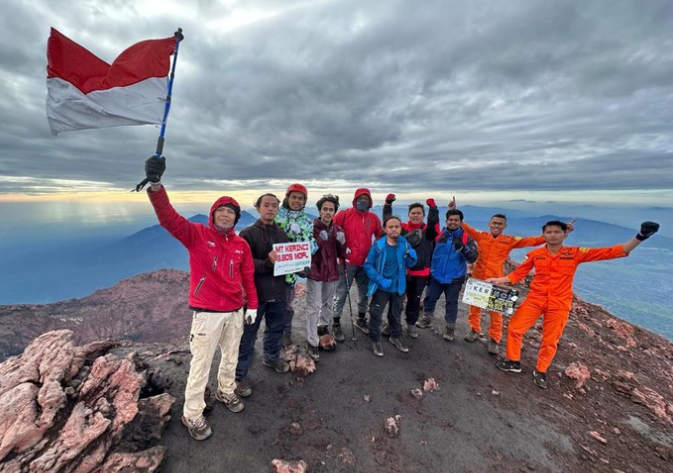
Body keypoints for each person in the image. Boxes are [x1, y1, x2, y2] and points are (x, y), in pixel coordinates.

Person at [144, 156, 258, 441]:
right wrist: (156, 185)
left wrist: (252, 305)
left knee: (230, 357)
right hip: (207, 312)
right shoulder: (196, 234)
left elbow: (247, 278)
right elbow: (168, 218)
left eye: (230, 212)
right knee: (201, 365)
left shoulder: (241, 244)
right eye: (221, 211)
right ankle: (192, 413)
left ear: (236, 218)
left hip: (235, 310)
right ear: (213, 214)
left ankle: (225, 391)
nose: (225, 215)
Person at [489, 220, 660, 389]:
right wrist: (500, 279)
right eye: (549, 232)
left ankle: (541, 370)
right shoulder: (535, 254)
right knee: (514, 328)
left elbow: (610, 252)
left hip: (559, 304)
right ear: (544, 235)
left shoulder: (575, 253)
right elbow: (519, 273)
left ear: (564, 234)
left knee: (550, 340)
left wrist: (640, 237)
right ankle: (513, 361)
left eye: (557, 232)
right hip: (535, 299)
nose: (553, 235)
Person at [449, 197, 550, 355]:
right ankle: (474, 330)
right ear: (490, 224)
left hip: (496, 280)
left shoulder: (509, 240)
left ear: (504, 226)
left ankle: (494, 340)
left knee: (495, 313)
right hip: (478, 278)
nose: (496, 226)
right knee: (474, 308)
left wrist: (551, 236)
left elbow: (529, 241)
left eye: (499, 224)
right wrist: (453, 210)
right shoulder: (481, 236)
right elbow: (465, 227)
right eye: (494, 223)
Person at [235, 194, 292, 399]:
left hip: (278, 293)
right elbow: (244, 265)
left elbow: (286, 262)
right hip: (255, 296)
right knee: (247, 336)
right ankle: (239, 376)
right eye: (266, 205)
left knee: (276, 329)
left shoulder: (282, 233)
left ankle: (271, 357)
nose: (270, 209)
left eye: (274, 206)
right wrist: (267, 262)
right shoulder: (248, 234)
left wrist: (298, 266)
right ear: (258, 208)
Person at [382, 194, 439, 338]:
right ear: (408, 215)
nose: (415, 215)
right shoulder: (402, 229)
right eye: (413, 213)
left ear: (423, 215)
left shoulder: (428, 231)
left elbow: (434, 224)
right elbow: (388, 222)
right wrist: (388, 205)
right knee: (396, 300)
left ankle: (411, 324)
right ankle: (392, 323)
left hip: (421, 274)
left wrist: (433, 209)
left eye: (418, 213)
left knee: (414, 301)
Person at [417, 209, 479, 341]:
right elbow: (430, 251)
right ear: (446, 221)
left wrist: (463, 248)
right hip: (436, 275)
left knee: (451, 303)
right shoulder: (440, 235)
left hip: (454, 278)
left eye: (456, 220)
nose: (453, 222)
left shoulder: (466, 238)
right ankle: (427, 318)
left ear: (460, 222)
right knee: (430, 298)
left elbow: (473, 257)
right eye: (451, 220)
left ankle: (450, 328)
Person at [331, 188, 385, 340]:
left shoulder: (373, 218)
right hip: (346, 262)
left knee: (365, 292)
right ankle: (336, 323)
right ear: (355, 199)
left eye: (366, 198)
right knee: (341, 292)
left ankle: (361, 319)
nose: (363, 201)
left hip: (366, 263)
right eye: (360, 198)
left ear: (370, 201)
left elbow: (380, 236)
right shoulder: (344, 215)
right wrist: (336, 252)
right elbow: (331, 232)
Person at [363, 216, 418, 356]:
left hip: (398, 287)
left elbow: (409, 264)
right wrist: (380, 279)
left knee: (395, 314)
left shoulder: (404, 244)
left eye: (397, 227)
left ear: (400, 228)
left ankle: (395, 336)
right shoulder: (378, 246)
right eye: (391, 227)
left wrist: (413, 257)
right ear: (385, 229)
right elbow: (368, 265)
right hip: (382, 288)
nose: (394, 229)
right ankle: (375, 340)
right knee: (376, 314)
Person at [275, 183, 318, 350]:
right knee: (271, 306)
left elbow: (313, 246)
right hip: (272, 271)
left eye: (300, 198)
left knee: (286, 305)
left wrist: (301, 237)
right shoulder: (276, 217)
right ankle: (272, 338)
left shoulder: (307, 221)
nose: (297, 200)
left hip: (291, 274)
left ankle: (285, 337)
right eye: (294, 197)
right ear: (287, 198)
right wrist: (287, 230)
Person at [306, 194, 349, 360]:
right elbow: (307, 251)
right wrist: (319, 240)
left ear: (334, 211)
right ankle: (312, 340)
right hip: (315, 271)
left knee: (327, 303)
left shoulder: (337, 230)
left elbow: (342, 254)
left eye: (331, 209)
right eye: (325, 209)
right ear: (319, 210)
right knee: (313, 306)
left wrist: (342, 243)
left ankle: (322, 327)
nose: (328, 212)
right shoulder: (310, 228)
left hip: (331, 272)